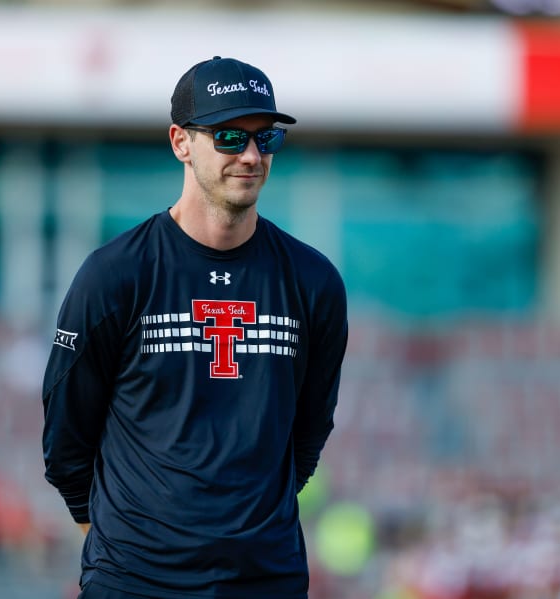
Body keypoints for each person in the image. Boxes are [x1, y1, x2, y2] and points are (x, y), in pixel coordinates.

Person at [42, 56, 348, 599]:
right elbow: (67, 433)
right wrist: (120, 539)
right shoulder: (115, 274)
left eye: (265, 139)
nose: (251, 156)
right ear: (181, 143)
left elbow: (310, 429)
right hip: (135, 580)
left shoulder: (313, 281)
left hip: (265, 578)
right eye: (230, 137)